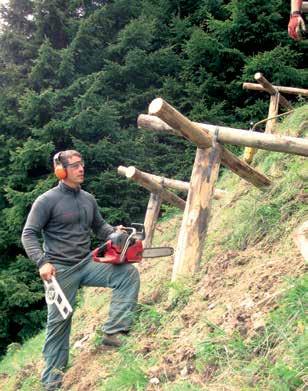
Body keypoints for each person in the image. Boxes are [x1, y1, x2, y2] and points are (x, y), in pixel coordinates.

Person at [21, 150, 140, 391]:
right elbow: (28, 234)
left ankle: (114, 332)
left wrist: (114, 234)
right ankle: (52, 383)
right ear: (61, 171)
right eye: (74, 166)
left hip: (86, 263)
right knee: (60, 323)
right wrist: (42, 262)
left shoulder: (88, 199)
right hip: (60, 270)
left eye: (82, 164)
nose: (81, 168)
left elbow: (100, 227)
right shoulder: (47, 200)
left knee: (127, 274)